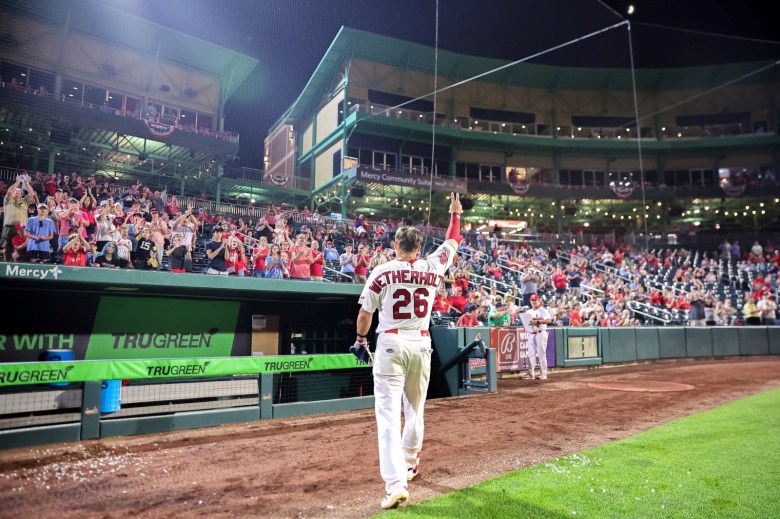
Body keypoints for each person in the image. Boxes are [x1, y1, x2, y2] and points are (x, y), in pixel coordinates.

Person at [351, 193, 462, 510]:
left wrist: (361, 340)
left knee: (387, 417)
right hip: (421, 342)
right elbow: (453, 241)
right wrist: (455, 213)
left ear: (396, 246)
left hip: (390, 344)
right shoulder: (432, 265)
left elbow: (364, 314)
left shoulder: (382, 271)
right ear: (418, 246)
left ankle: (396, 484)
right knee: (415, 409)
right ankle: (410, 463)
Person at [523, 294, 552, 380]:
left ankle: (544, 374)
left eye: (535, 300)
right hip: (531, 333)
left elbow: (549, 320)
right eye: (532, 300)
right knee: (531, 354)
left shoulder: (543, 310)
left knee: (541, 354)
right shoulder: (528, 312)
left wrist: (537, 322)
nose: (534, 302)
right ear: (530, 301)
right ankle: (531, 374)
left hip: (541, 333)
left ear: (539, 301)